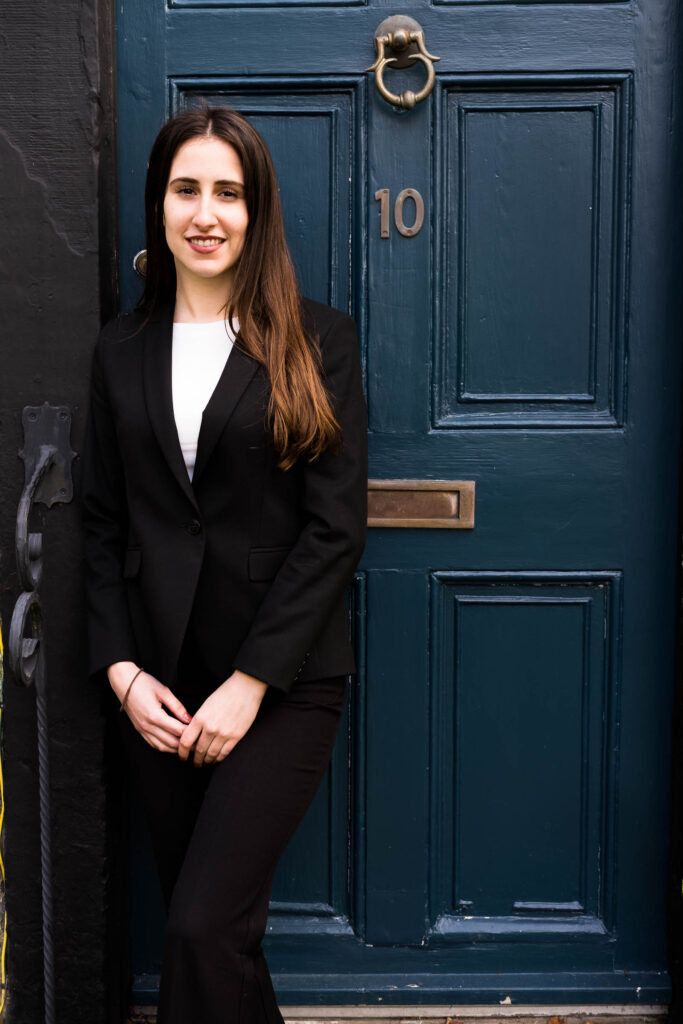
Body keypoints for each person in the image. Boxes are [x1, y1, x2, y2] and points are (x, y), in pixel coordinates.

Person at [81, 105, 368, 1024]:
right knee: (217, 938)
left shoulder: (318, 340)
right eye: (186, 189)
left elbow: (334, 530)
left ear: (257, 209)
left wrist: (250, 682)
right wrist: (122, 673)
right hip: (159, 688)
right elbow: (100, 523)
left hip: (281, 683)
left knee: (200, 931)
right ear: (159, 206)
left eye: (228, 192)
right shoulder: (119, 350)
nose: (206, 213)